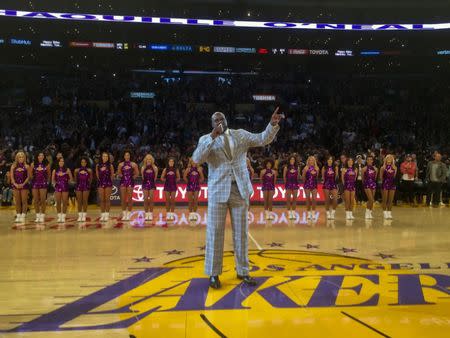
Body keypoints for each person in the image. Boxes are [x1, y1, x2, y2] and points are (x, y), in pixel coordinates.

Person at [192, 107, 283, 289]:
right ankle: (213, 274)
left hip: (240, 189)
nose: (220, 122)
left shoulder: (240, 135)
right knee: (215, 233)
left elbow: (262, 138)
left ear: (226, 120)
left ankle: (243, 271)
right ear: (212, 124)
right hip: (218, 191)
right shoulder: (205, 139)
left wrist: (272, 124)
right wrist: (212, 137)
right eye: (216, 120)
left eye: (222, 119)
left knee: (241, 233)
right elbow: (197, 159)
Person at [117, 151, 139, 221]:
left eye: (128, 155)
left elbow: (137, 173)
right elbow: (119, 173)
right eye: (125, 155)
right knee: (123, 199)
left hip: (130, 182)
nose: (127, 156)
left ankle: (129, 213)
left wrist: (132, 178)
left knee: (129, 198)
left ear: (130, 156)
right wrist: (123, 176)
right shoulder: (120, 164)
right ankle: (124, 214)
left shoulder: (133, 164)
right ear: (124, 156)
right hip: (123, 182)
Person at [10, 151, 31, 223]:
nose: (21, 158)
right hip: (15, 185)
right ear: (17, 158)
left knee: (24, 201)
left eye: (22, 157)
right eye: (19, 157)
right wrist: (15, 184)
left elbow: (28, 177)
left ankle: (23, 215)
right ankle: (18, 215)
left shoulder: (27, 166)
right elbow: (12, 177)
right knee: (17, 202)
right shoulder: (13, 166)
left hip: (24, 186)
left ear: (24, 158)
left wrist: (23, 184)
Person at [30, 151, 50, 223]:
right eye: (39, 155)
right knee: (35, 200)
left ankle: (42, 215)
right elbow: (31, 175)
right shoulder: (33, 164)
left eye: (42, 155)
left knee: (42, 200)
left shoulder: (47, 165)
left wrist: (46, 182)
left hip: (43, 184)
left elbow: (48, 174)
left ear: (44, 157)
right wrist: (34, 180)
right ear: (37, 156)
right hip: (35, 183)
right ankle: (37, 215)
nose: (41, 157)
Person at [52, 157, 73, 223]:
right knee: (58, 202)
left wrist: (67, 181)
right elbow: (53, 180)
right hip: (58, 187)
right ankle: (59, 216)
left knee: (64, 202)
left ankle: (63, 216)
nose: (61, 162)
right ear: (58, 162)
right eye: (60, 161)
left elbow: (71, 179)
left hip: (65, 187)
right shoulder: (55, 170)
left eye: (63, 161)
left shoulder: (67, 170)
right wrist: (55, 185)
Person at [96, 152, 114, 222]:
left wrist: (109, 181)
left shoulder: (110, 165)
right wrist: (101, 181)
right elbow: (97, 175)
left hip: (108, 183)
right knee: (102, 199)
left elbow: (112, 175)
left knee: (107, 199)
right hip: (101, 183)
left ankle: (107, 214)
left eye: (106, 156)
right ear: (101, 157)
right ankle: (102, 214)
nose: (105, 157)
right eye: (104, 156)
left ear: (108, 158)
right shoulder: (98, 165)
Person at [74, 157, 92, 222]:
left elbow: (90, 179)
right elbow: (75, 179)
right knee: (79, 201)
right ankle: (80, 215)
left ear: (86, 163)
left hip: (86, 186)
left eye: (84, 162)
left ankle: (84, 215)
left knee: (85, 200)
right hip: (78, 186)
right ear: (80, 163)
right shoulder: (76, 170)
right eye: (82, 162)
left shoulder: (89, 170)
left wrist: (88, 185)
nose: (83, 163)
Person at [141, 154, 158, 221]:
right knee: (145, 199)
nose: (148, 160)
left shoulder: (155, 168)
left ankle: (150, 213)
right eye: (147, 159)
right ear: (145, 160)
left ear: (152, 160)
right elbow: (142, 177)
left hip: (152, 184)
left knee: (151, 199)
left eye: (150, 159)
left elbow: (155, 178)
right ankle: (146, 213)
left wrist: (151, 182)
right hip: (145, 184)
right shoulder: (143, 168)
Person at [302, 156, 319, 220]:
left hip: (314, 185)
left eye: (312, 160)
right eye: (310, 160)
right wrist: (305, 183)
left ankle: (313, 213)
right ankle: (309, 213)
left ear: (314, 161)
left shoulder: (317, 168)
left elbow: (316, 178)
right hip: (307, 185)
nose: (311, 161)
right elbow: (303, 177)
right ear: (308, 161)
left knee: (314, 199)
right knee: (308, 199)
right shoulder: (305, 168)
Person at [380, 154, 397, 219]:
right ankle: (385, 213)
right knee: (385, 200)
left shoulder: (395, 167)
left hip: (392, 184)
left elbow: (394, 176)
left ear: (392, 159)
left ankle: (389, 212)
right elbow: (381, 177)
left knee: (390, 200)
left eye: (391, 157)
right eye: (388, 157)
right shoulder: (383, 167)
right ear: (386, 159)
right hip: (385, 184)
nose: (389, 158)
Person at [283, 155, 300, 220]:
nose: (292, 161)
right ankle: (289, 213)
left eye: (293, 159)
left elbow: (298, 176)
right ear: (289, 160)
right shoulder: (286, 167)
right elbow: (284, 176)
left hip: (295, 184)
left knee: (295, 199)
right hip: (288, 184)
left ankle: (293, 212)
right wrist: (286, 184)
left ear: (295, 160)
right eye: (291, 159)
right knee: (288, 199)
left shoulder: (297, 167)